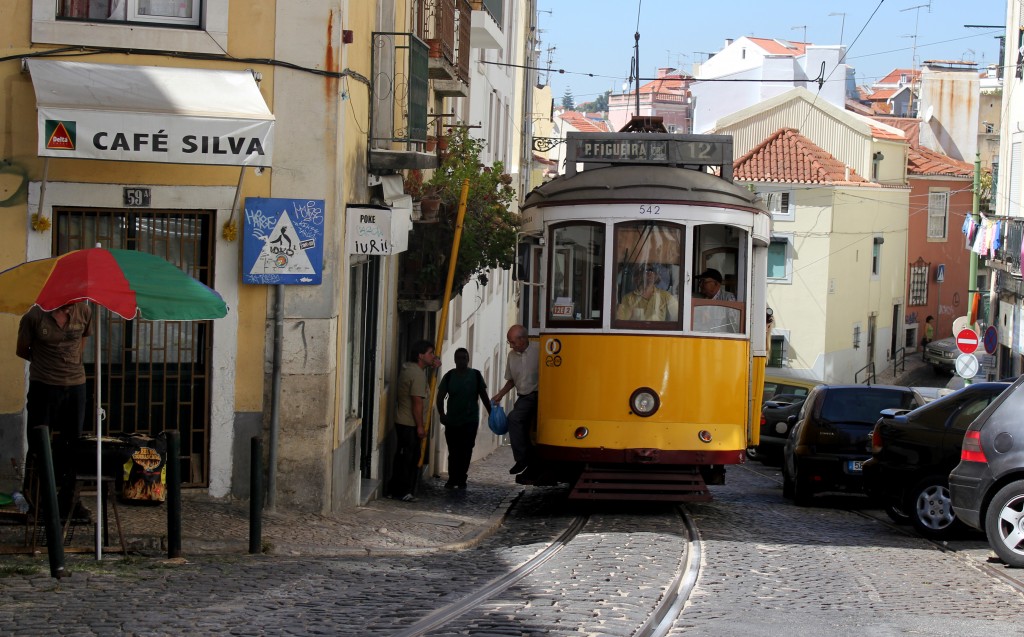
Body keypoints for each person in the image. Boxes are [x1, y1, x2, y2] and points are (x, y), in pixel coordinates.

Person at [16, 302, 93, 522]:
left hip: (75, 385)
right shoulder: (34, 316)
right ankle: (35, 502)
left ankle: (70, 501)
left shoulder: (84, 311)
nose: (72, 304)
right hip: (44, 385)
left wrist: (69, 363)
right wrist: (46, 363)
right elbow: (22, 348)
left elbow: (83, 341)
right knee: (39, 443)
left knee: (73, 445)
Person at [388, 339, 440, 502]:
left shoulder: (409, 368)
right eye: (430, 353)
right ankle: (403, 491)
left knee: (403, 456)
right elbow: (416, 401)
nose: (433, 356)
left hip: (403, 421)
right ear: (420, 355)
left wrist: (432, 367)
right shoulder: (417, 375)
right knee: (409, 457)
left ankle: (395, 489)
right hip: (409, 423)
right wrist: (420, 426)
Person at [436, 348, 490, 490]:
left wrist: (491, 414)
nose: (461, 361)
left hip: (470, 421)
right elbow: (440, 397)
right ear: (455, 360)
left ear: (468, 359)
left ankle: (461, 478)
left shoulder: (476, 376)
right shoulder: (449, 377)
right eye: (459, 358)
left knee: (466, 451)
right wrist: (442, 414)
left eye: (464, 358)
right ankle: (452, 478)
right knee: (453, 451)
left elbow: (484, 396)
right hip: (452, 421)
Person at [491, 324, 539, 475]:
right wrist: (500, 395)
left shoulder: (539, 350)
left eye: (512, 342)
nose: (511, 345)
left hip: (537, 395)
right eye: (509, 342)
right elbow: (511, 380)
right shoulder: (511, 355)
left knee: (514, 419)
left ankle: (522, 459)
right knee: (520, 427)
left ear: (523, 339)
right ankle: (526, 461)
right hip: (523, 396)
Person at [694, 268, 739, 333]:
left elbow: (733, 325)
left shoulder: (728, 298)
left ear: (716, 284)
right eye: (700, 282)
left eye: (704, 281)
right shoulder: (697, 298)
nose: (700, 285)